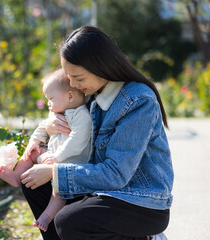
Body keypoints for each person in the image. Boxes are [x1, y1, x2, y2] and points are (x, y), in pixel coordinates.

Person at [20, 26, 174, 240]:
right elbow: (58, 115)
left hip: (141, 202)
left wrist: (55, 172)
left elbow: (116, 174)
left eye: (79, 78)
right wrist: (48, 128)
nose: (72, 85)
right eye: (69, 77)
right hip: (101, 190)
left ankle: (145, 238)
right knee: (32, 183)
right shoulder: (89, 92)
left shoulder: (138, 101)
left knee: (70, 221)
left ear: (101, 67)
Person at [0, 68, 92, 232]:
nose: (48, 103)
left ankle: (46, 217)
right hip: (51, 157)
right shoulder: (56, 112)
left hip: (68, 164)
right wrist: (34, 141)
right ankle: (16, 175)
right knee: (33, 152)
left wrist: (57, 158)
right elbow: (42, 127)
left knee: (59, 190)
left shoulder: (81, 115)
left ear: (70, 96)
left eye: (51, 98)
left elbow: (77, 141)